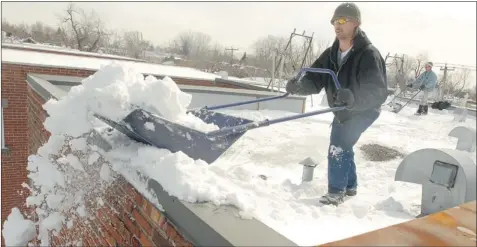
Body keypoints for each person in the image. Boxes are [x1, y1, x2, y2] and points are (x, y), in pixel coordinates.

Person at [285, 2, 388, 206]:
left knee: (339, 145)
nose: (337, 25)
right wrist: (298, 85)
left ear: (356, 23)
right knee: (343, 143)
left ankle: (335, 193)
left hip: (364, 109)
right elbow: (314, 79)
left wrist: (354, 98)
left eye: (342, 20)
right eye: (334, 21)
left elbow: (377, 91)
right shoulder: (331, 54)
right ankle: (350, 186)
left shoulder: (368, 54)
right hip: (342, 109)